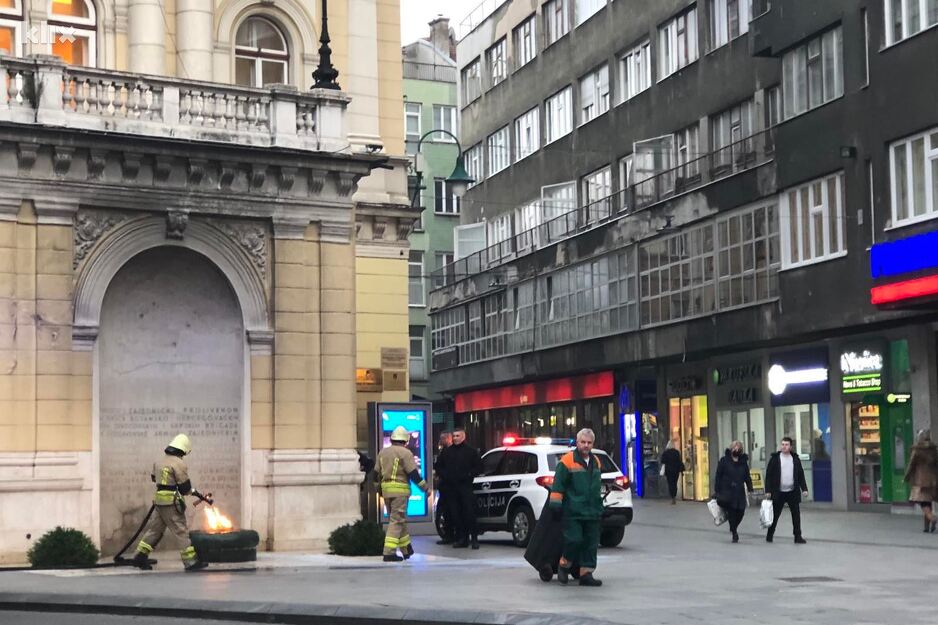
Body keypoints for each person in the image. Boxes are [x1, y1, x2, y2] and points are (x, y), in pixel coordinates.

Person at [132, 433, 210, 571]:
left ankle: (140, 556)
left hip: (159, 501)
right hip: (171, 503)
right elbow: (185, 488)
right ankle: (190, 562)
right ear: (183, 449)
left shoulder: (159, 462)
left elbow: (153, 478)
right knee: (181, 531)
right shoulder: (179, 464)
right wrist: (194, 492)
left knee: (154, 530)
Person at [548, 428, 604, 587]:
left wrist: (600, 506)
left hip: (592, 511)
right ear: (577, 442)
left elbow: (596, 487)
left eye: (589, 443)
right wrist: (555, 505)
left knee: (591, 543)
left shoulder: (596, 462)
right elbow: (558, 485)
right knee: (574, 540)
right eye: (583, 442)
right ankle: (564, 565)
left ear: (593, 444)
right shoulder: (566, 461)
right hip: (573, 510)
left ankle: (586, 573)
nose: (586, 445)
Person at [375, 425, 430, 562]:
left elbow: (376, 474)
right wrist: (425, 489)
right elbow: (413, 474)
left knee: (398, 520)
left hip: (386, 491)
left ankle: (406, 549)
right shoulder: (406, 453)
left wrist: (379, 490)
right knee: (397, 521)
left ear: (393, 439)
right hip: (400, 492)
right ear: (405, 441)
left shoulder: (382, 452)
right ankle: (389, 552)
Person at [435, 426, 482, 549]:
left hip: (465, 487)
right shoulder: (447, 452)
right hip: (452, 488)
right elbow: (438, 466)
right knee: (456, 514)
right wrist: (446, 476)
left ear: (463, 436)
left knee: (469, 513)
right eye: (454, 436)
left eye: (458, 436)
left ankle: (474, 539)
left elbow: (479, 467)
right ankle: (462, 538)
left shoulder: (471, 452)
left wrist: (469, 475)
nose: (455, 438)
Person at [764, 437, 808, 544]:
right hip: (779, 492)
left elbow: (800, 475)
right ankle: (770, 534)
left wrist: (804, 489)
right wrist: (768, 490)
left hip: (792, 491)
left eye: (786, 444)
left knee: (796, 515)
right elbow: (768, 476)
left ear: (791, 446)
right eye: (782, 444)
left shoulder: (795, 459)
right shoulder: (775, 459)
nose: (784, 446)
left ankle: (797, 536)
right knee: (775, 515)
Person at [713, 440, 753, 543]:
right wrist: (717, 490)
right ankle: (734, 532)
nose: (736, 449)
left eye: (738, 448)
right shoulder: (724, 461)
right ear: (731, 449)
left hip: (739, 492)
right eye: (734, 447)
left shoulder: (743, 462)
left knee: (741, 512)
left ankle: (733, 526)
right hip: (727, 491)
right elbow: (718, 476)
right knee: (732, 512)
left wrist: (750, 488)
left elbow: (747, 477)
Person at [904, 429, 938, 533]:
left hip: (920, 480)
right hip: (933, 480)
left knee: (921, 501)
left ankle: (932, 518)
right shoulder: (934, 450)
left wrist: (906, 476)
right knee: (928, 501)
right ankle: (926, 527)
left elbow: (911, 465)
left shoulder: (917, 450)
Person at [433, 431, 455, 545]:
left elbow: (441, 467)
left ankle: (449, 535)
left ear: (447, 439)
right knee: (445, 511)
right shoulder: (444, 451)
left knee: (447, 511)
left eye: (442, 438)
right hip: (445, 487)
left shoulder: (448, 452)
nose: (440, 441)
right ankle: (448, 534)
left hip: (448, 487)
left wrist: (440, 473)